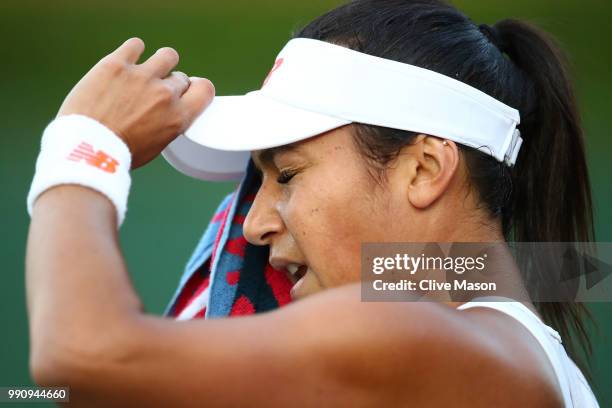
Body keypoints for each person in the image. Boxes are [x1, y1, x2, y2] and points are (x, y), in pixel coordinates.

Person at [25, 0, 599, 406]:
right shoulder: (479, 338)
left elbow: (81, 360)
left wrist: (84, 146)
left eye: (289, 174)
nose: (251, 225)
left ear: (424, 168)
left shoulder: (416, 339)